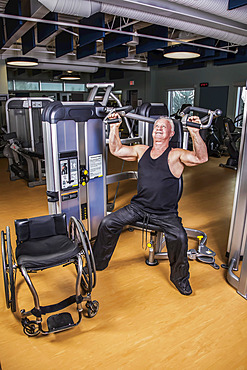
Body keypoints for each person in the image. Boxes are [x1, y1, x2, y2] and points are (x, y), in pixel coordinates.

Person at [93, 113, 208, 295]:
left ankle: (179, 278)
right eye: (157, 126)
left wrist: (194, 132)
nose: (159, 128)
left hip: (165, 213)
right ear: (152, 132)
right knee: (108, 223)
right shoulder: (141, 151)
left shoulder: (175, 155)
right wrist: (114, 126)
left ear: (171, 133)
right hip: (138, 207)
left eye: (164, 126)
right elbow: (116, 150)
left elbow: (201, 158)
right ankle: (97, 263)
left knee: (179, 237)